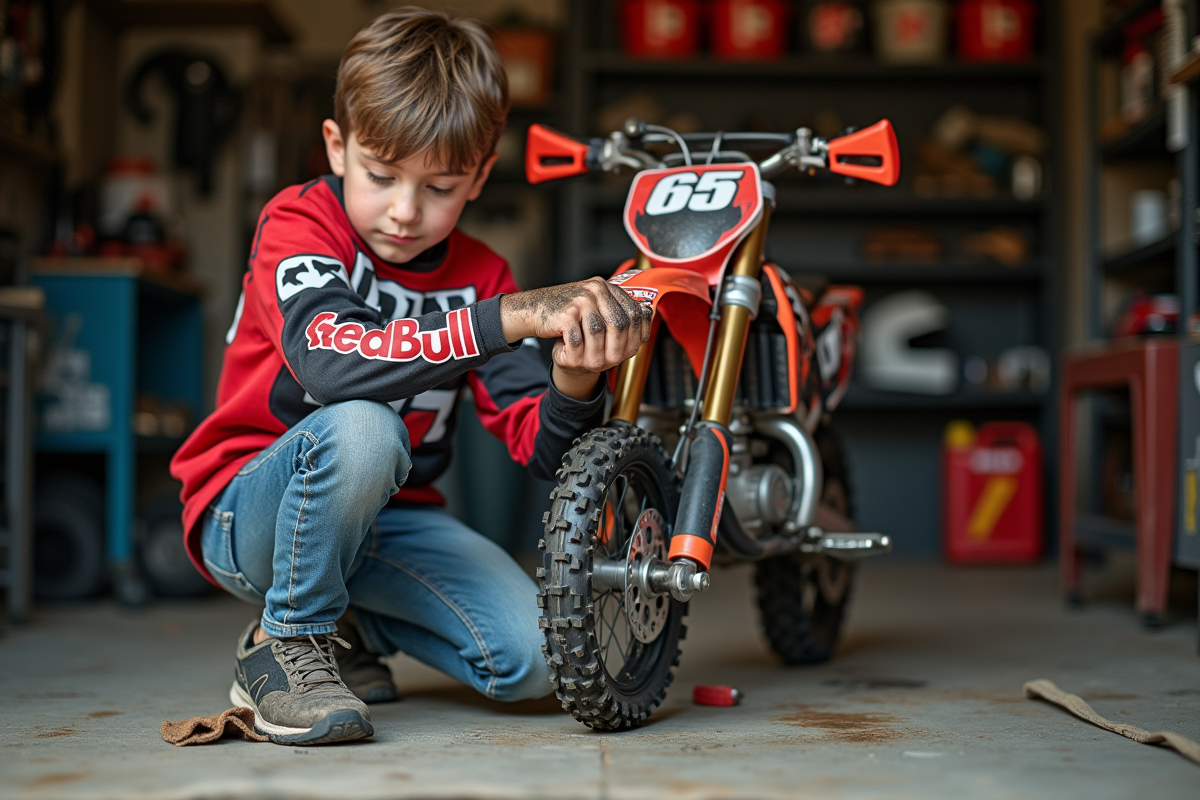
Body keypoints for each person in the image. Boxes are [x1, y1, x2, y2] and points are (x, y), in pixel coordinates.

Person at [169, 7, 651, 745]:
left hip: (391, 522)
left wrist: (573, 381)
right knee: (365, 425)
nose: (404, 211)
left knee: (539, 660)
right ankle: (286, 641)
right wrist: (507, 318)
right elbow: (332, 368)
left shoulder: (483, 272)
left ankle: (347, 628)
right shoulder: (297, 225)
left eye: (440, 186)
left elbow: (544, 454)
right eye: (382, 175)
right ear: (338, 146)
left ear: (482, 175)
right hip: (246, 512)